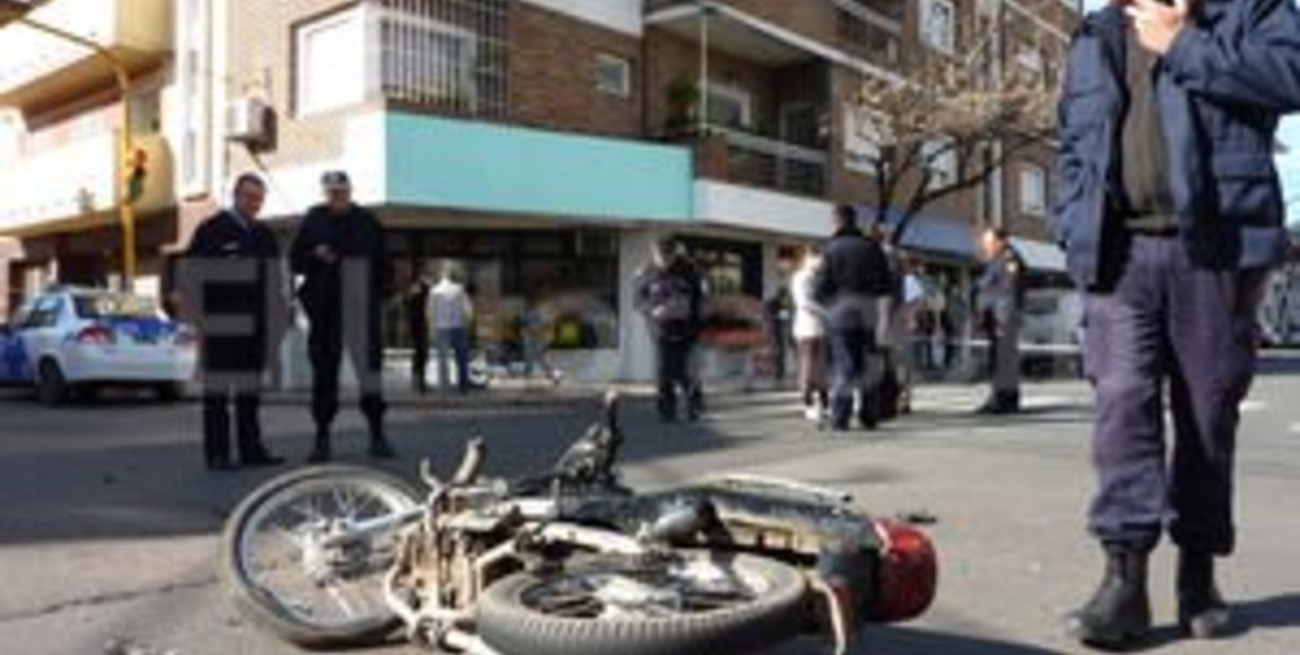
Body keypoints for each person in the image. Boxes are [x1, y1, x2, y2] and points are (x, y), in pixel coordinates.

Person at [1056, 0, 1297, 647]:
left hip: (1215, 249)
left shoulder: (1250, 11)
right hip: (1118, 251)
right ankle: (1123, 579)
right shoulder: (1096, 32)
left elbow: (1290, 75)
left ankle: (1199, 570)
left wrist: (1183, 43)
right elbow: (1073, 144)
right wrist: (1069, 220)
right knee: (1121, 402)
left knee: (1208, 413)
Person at [178, 173, 285, 471]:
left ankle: (252, 450)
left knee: (249, 393)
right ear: (236, 196)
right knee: (217, 395)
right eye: (249, 197)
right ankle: (218, 454)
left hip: (256, 327)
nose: (254, 204)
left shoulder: (264, 235)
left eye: (259, 199)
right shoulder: (212, 230)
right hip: (220, 326)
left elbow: (275, 282)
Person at [290, 171, 396, 463]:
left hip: (362, 309)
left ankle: (377, 434)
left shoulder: (367, 221)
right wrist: (315, 255)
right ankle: (321, 439)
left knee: (370, 373)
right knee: (324, 375)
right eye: (331, 192)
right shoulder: (314, 219)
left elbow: (385, 266)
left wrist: (377, 297)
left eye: (342, 191)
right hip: (325, 311)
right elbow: (295, 260)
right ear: (324, 193)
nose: (337, 196)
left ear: (350, 191)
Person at [814, 205, 894, 432]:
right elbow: (885, 285)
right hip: (869, 312)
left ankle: (841, 417)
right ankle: (869, 415)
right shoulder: (872, 248)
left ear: (837, 221)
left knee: (845, 366)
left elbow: (820, 289)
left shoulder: (830, 249)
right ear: (855, 220)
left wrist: (830, 305)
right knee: (868, 363)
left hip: (840, 313)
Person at [634, 239, 705, 422]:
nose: (664, 259)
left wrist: (696, 325)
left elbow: (701, 301)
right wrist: (651, 309)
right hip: (660, 330)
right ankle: (667, 410)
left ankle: (693, 405)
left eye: (668, 255)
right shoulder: (645, 272)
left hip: (687, 329)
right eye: (660, 255)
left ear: (675, 253)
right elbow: (638, 301)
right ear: (654, 253)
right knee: (663, 372)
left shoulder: (690, 271)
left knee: (688, 371)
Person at [973, 227, 1024, 414]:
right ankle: (1004, 398)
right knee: (1000, 359)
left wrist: (1003, 318)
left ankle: (1003, 399)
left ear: (1001, 241)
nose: (985, 246)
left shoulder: (1009, 258)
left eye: (988, 242)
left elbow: (1010, 291)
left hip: (1003, 317)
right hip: (996, 317)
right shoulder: (996, 260)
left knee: (1003, 360)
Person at [790, 245, 829, 422]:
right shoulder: (801, 277)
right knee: (808, 365)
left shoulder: (819, 277)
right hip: (806, 327)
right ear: (806, 259)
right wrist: (827, 313)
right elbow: (803, 302)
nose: (818, 261)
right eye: (814, 256)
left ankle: (823, 403)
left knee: (820, 367)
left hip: (820, 327)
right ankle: (808, 403)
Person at [428, 264, 473, 393]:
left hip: (441, 327)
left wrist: (432, 329)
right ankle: (463, 386)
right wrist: (468, 324)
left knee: (443, 359)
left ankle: (444, 387)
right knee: (461, 359)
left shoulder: (435, 291)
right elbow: (468, 309)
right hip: (458, 326)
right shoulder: (460, 289)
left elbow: (431, 311)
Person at [405, 274, 432, 393]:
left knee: (418, 355)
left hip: (416, 330)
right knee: (422, 356)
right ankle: (421, 383)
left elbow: (407, 306)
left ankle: (417, 381)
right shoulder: (424, 298)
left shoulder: (414, 298)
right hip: (421, 330)